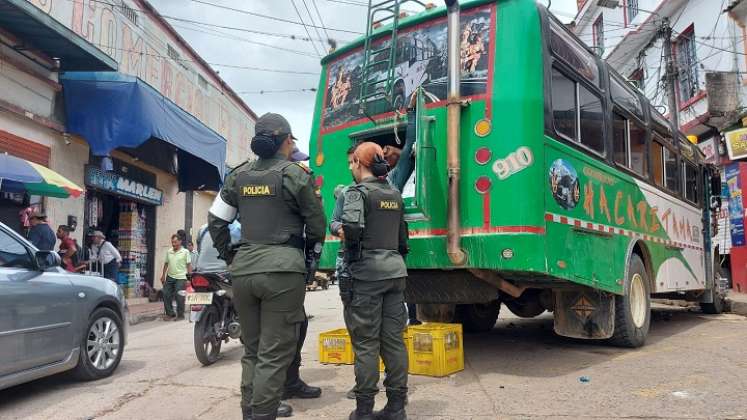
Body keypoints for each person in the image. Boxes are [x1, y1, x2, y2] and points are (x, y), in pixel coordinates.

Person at [208, 112, 326, 420]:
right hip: (283, 272)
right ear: (287, 142)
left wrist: (230, 256)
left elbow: (216, 220)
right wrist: (311, 260)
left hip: (244, 271)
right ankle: (263, 413)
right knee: (275, 353)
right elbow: (316, 225)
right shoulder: (295, 175)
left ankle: (250, 410)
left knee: (253, 349)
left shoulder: (238, 176)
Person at [336, 142, 409, 420]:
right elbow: (403, 239)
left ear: (357, 162)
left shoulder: (357, 193)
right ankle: (396, 408)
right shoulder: (394, 193)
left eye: (352, 163)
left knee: (366, 343)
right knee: (393, 341)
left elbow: (352, 228)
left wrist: (351, 247)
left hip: (367, 274)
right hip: (395, 272)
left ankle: (364, 410)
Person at [160, 234, 192, 321]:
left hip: (181, 277)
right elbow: (166, 263)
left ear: (180, 241)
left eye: (175, 242)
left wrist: (189, 279)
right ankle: (170, 314)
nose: (173, 244)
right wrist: (163, 275)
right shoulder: (169, 251)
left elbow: (189, 265)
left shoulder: (185, 252)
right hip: (170, 276)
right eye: (172, 242)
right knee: (165, 293)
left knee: (179, 295)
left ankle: (180, 315)